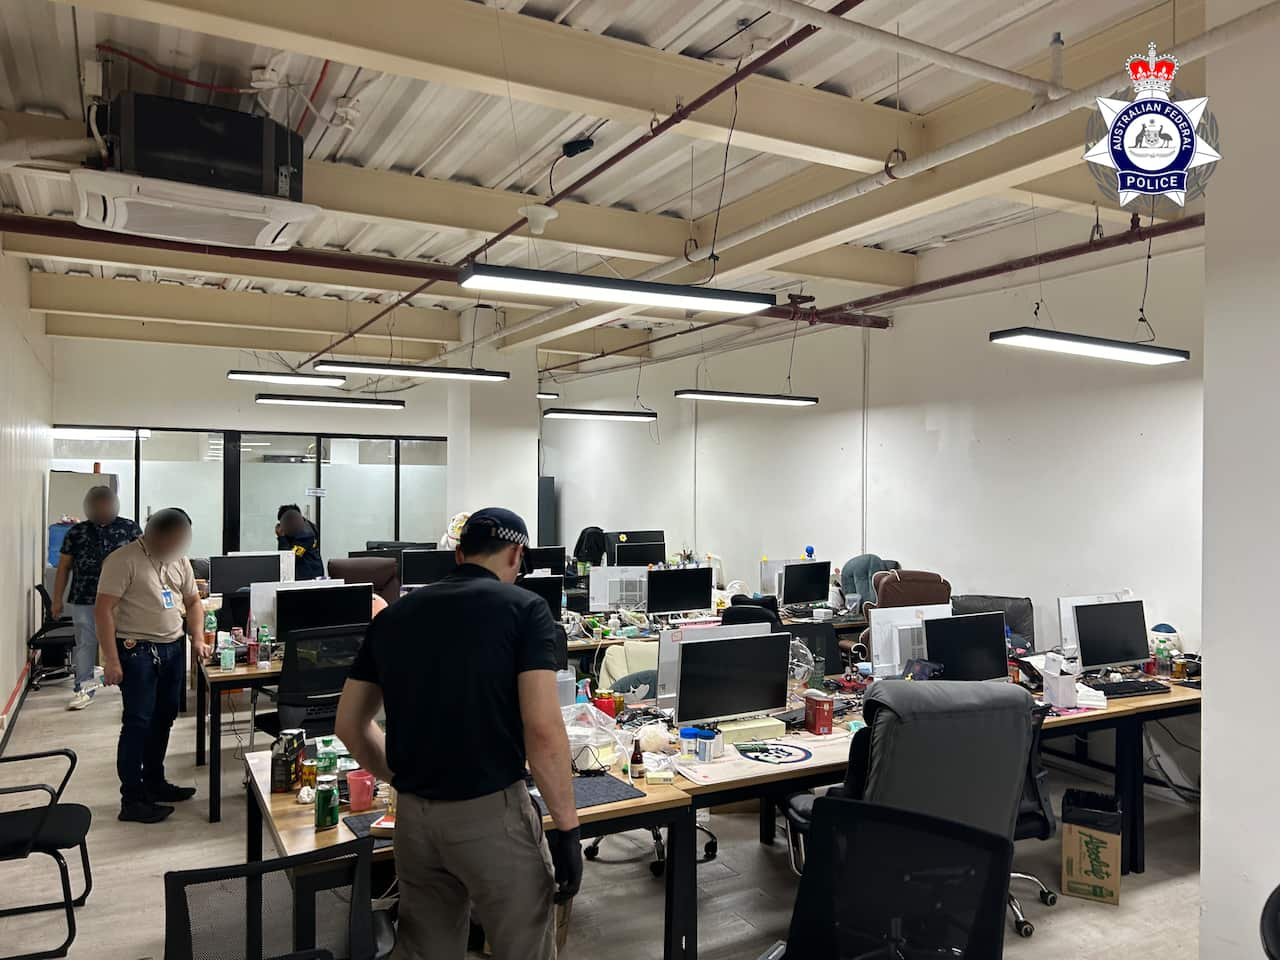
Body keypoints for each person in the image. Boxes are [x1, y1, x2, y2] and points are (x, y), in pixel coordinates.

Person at [337, 507, 581, 960]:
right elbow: (543, 731)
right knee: (522, 945)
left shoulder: (394, 616)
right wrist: (567, 829)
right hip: (491, 814)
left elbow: (349, 726)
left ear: (459, 555)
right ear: (516, 554)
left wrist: (403, 778)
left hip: (413, 821)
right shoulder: (526, 610)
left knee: (428, 949)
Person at [96, 508, 209, 824]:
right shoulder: (123, 560)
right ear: (157, 533)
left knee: (164, 718)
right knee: (137, 724)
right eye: (175, 539)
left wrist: (197, 639)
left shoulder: (178, 560)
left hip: (173, 647)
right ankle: (131, 799)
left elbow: (193, 602)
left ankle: (155, 782)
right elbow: (103, 611)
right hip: (137, 651)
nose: (180, 545)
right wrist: (111, 661)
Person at [52, 486, 142, 711]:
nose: (102, 508)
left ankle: (130, 686)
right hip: (85, 597)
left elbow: (143, 562)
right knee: (86, 645)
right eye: (98, 504)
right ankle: (84, 689)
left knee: (128, 644)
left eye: (106, 503)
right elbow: (63, 567)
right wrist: (56, 600)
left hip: (122, 599)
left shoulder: (129, 528)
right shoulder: (76, 532)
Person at [276, 504, 324, 580]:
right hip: (306, 575)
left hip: (309, 579)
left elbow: (288, 558)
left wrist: (281, 537)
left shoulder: (305, 534)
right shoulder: (300, 528)